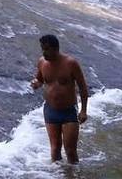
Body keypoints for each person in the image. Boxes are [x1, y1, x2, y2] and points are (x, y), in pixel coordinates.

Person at [30, 34, 89, 164]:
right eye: (42, 49)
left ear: (56, 49)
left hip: (69, 112)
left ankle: (73, 175)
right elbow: (39, 80)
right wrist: (36, 83)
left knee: (71, 151)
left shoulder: (71, 63)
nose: (44, 53)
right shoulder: (42, 62)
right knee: (55, 149)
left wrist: (83, 110)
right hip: (50, 110)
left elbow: (83, 88)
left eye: (47, 49)